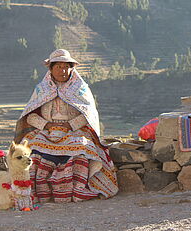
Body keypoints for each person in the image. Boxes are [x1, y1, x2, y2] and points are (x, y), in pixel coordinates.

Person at [14, 49, 118, 203]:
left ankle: (74, 192)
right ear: (50, 69)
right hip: (46, 131)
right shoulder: (42, 89)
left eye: (66, 67)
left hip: (74, 130)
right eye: (58, 67)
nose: (62, 70)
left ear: (72, 68)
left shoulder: (80, 89)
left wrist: (70, 125)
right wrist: (46, 125)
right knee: (33, 150)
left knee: (82, 148)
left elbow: (88, 115)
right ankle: (39, 193)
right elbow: (30, 116)